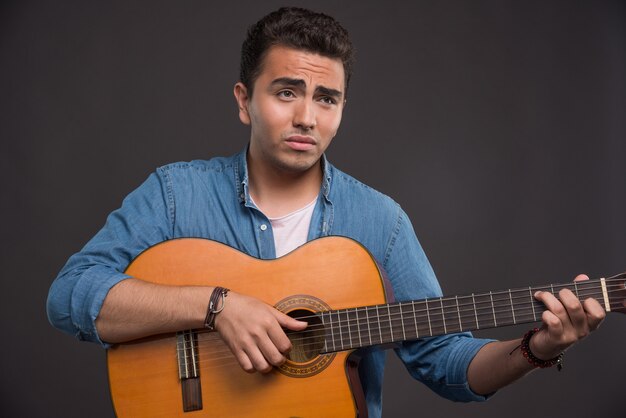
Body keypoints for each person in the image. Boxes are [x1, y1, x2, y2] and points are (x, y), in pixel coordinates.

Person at [46, 7, 607, 418]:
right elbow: (70, 295)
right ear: (244, 100)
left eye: (326, 98)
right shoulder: (173, 194)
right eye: (286, 92)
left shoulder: (380, 223)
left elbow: (444, 361)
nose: (307, 117)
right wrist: (215, 305)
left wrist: (538, 348)